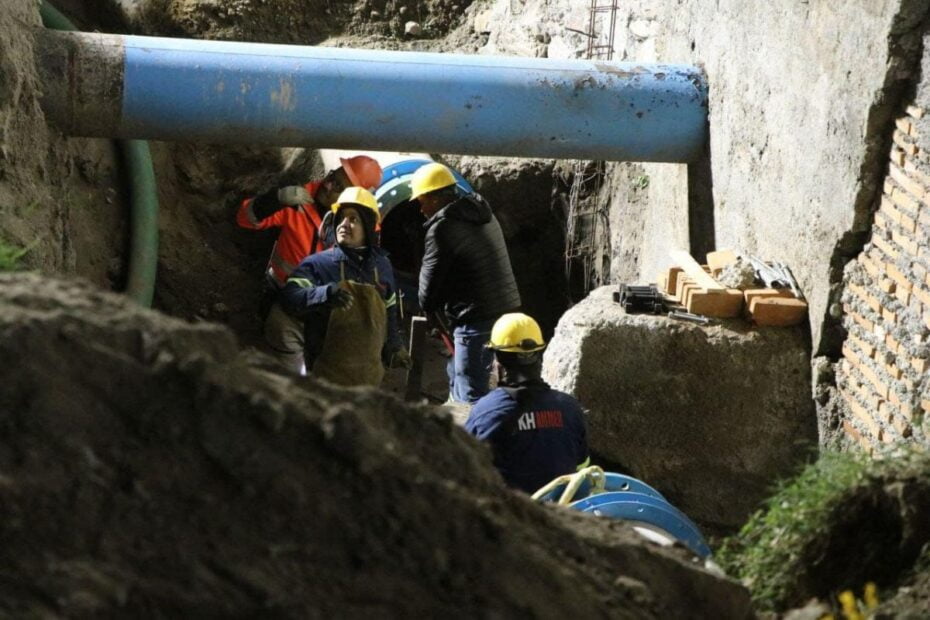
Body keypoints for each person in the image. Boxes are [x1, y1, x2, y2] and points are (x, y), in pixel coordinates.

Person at [237, 155, 383, 373]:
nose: (328, 184)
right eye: (333, 176)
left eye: (339, 186)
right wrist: (274, 200)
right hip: (285, 298)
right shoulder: (298, 201)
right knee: (286, 352)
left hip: (329, 306)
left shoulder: (363, 226)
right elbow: (245, 218)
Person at [410, 162, 521, 404]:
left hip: (475, 320)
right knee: (492, 381)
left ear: (436, 198)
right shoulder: (483, 214)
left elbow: (427, 293)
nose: (421, 209)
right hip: (507, 312)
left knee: (472, 393)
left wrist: (431, 310)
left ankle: (475, 438)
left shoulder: (442, 227)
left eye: (422, 201)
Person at [280, 187, 410, 386]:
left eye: (353, 219)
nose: (343, 224)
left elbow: (389, 311)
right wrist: (324, 294)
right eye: (340, 218)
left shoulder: (382, 266)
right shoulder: (319, 264)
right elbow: (290, 296)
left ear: (367, 226)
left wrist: (395, 347)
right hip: (327, 378)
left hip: (369, 379)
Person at [465, 313, 589, 493]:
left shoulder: (486, 413)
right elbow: (582, 466)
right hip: (564, 511)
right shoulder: (570, 408)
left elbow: (464, 470)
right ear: (539, 357)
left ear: (498, 361)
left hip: (513, 516)